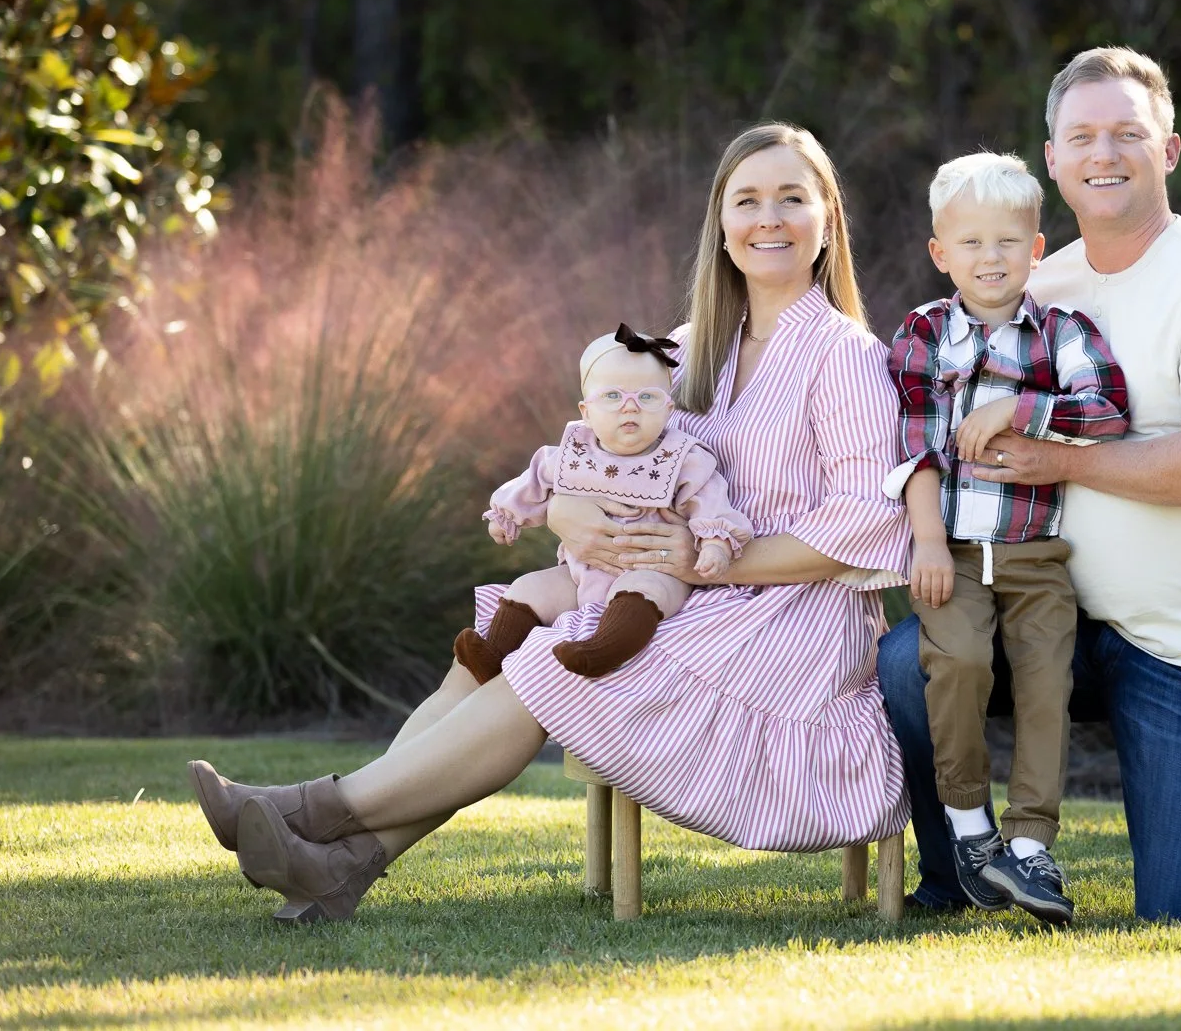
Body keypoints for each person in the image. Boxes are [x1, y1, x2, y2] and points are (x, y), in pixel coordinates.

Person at [187, 122, 913, 923]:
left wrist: (710, 562)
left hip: (790, 624)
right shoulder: (685, 351)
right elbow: (597, 448)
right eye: (747, 200)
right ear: (722, 225)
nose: (768, 218)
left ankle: (310, 813)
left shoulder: (843, 355)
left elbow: (865, 522)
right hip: (684, 593)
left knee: (557, 658)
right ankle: (344, 866)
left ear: (828, 221)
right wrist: (566, 508)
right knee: (495, 649)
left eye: (790, 199)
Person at [876, 47, 1181, 922]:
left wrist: (1051, 451)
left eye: (1127, 134)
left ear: (1168, 151)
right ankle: (962, 870)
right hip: (1049, 612)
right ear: (1053, 158)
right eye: (1083, 136)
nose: (1105, 153)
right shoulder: (1025, 283)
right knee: (912, 662)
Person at [884, 151, 1129, 926]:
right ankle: (967, 827)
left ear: (1035, 249)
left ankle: (1030, 845)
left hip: (1035, 559)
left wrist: (1024, 413)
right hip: (951, 553)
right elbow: (915, 446)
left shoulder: (1060, 333)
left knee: (1044, 685)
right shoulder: (924, 335)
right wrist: (925, 540)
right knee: (952, 665)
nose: (989, 259)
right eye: (971, 243)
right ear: (940, 253)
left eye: (1006, 243)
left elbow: (1107, 411)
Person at [451, 324, 753, 683]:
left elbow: (710, 502)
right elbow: (533, 483)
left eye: (647, 398)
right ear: (586, 410)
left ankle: (603, 652)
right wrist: (507, 515)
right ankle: (493, 655)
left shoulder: (682, 459)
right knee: (530, 588)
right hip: (581, 572)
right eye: (612, 397)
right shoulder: (571, 454)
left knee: (644, 591)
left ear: (668, 408)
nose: (630, 408)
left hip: (655, 568)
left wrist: (715, 544)